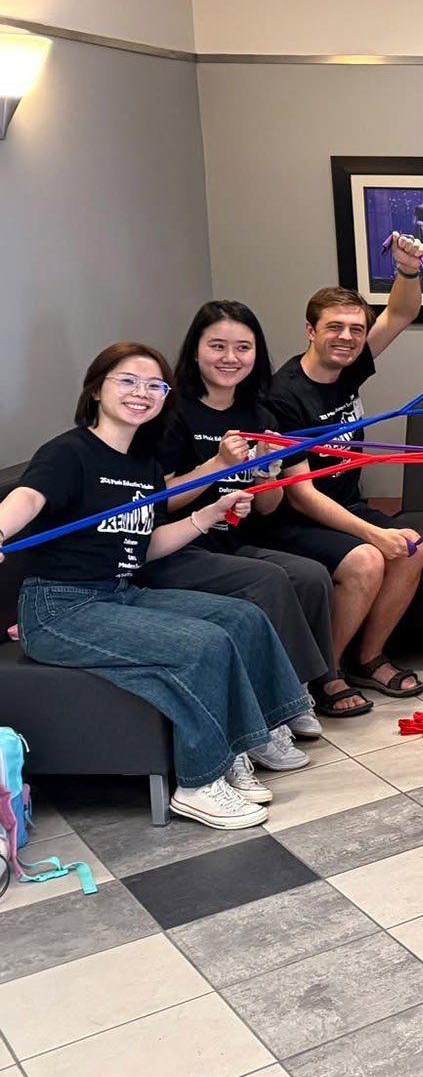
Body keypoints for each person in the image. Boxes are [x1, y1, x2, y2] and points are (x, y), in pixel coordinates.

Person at [0, 343, 312, 829]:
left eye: (154, 385)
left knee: (241, 616)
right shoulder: (68, 452)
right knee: (204, 643)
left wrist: (206, 517)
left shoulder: (143, 465)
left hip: (119, 592)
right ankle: (199, 783)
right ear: (97, 387)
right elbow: (27, 497)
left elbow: (143, 547)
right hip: (59, 608)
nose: (141, 393)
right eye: (127, 380)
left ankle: (253, 735)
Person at [151, 300, 367, 731]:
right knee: (269, 579)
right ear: (195, 351)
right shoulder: (172, 412)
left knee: (310, 576)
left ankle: (302, 686)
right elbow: (157, 501)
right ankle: (284, 700)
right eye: (218, 346)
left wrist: (265, 470)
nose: (231, 358)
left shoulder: (260, 413)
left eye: (243, 348)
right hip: (179, 544)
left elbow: (267, 506)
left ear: (257, 353)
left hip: (234, 541)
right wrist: (216, 466)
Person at [263, 245, 423, 700]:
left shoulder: (348, 369)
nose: (347, 336)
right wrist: (371, 534)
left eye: (356, 328)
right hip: (292, 521)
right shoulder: (284, 394)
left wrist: (407, 269)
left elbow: (401, 312)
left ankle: (368, 658)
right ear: (310, 330)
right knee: (367, 559)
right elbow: (299, 494)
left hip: (345, 507)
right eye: (334, 327)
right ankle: (325, 673)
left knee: (411, 547)